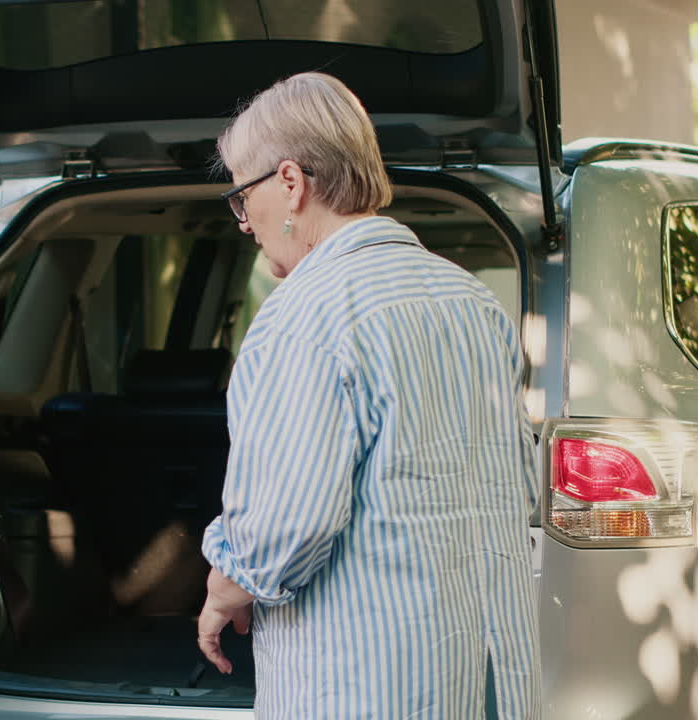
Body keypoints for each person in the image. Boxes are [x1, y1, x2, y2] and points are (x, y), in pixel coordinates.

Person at [196, 73, 541, 718]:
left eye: (243, 196)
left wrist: (223, 587)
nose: (244, 223)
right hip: (485, 673)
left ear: (291, 182)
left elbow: (284, 525)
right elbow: (517, 485)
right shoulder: (471, 299)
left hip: (366, 684)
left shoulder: (300, 319)